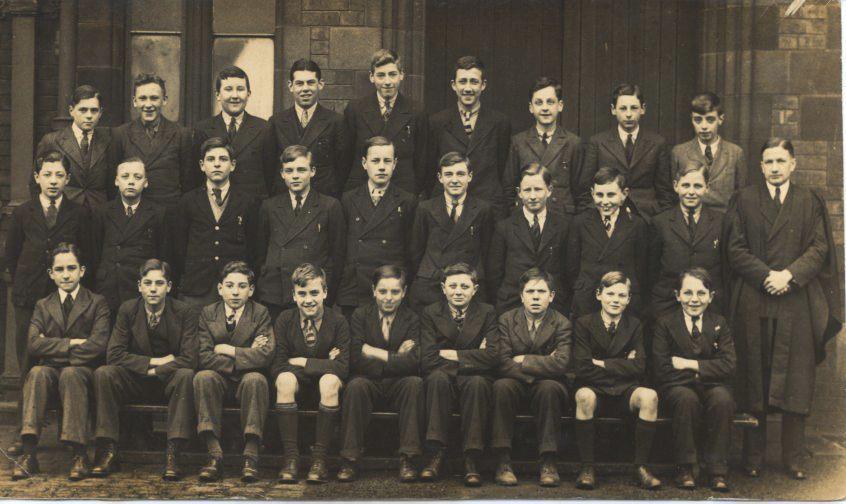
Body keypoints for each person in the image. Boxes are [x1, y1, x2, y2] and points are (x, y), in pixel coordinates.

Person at [726, 138, 842, 480]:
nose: (774, 168)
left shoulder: (810, 201)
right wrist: (766, 275)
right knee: (754, 373)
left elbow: (820, 248)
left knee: (797, 374)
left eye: (780, 161)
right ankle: (754, 455)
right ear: (760, 166)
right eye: (768, 162)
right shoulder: (744, 199)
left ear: (793, 164)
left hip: (796, 296)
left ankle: (794, 457)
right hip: (755, 294)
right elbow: (735, 248)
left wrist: (789, 275)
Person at [4, 150, 89, 455]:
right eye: (47, 175)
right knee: (29, 363)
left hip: (64, 299)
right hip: (29, 296)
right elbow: (12, 256)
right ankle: (24, 434)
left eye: (59, 175)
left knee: (67, 362)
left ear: (68, 179)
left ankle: (69, 432)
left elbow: (86, 252)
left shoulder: (78, 213)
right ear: (37, 178)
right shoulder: (23, 213)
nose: (53, 181)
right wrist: (25, 283)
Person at [12, 243, 110, 481]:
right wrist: (73, 343)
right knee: (36, 372)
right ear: (51, 274)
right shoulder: (43, 305)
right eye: (60, 269)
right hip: (49, 370)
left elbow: (98, 344)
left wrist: (53, 347)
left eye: (71, 268)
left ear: (82, 271)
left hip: (82, 371)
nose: (66, 274)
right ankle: (29, 453)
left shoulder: (97, 302)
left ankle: (79, 454)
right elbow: (34, 345)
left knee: (71, 374)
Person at [93, 259, 198, 480]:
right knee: (105, 373)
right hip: (136, 381)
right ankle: (108, 450)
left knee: (186, 375)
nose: (153, 289)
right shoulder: (128, 309)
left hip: (170, 383)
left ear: (169, 286)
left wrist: (157, 372)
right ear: (139, 285)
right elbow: (114, 354)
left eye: (159, 283)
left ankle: (173, 453)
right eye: (147, 283)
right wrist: (155, 363)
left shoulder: (184, 312)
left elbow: (189, 358)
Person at [572, 271, 661, 490]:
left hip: (625, 391)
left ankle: (641, 467)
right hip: (594, 389)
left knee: (649, 396)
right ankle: (587, 467)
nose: (615, 300)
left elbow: (639, 366)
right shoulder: (584, 324)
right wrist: (622, 362)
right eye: (610, 294)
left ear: (629, 299)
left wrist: (602, 363)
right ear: (598, 295)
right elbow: (582, 367)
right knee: (583, 396)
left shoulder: (635, 325)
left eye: (622, 295)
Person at [652, 268, 736, 491]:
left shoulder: (720, 323)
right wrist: (706, 371)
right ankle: (685, 467)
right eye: (687, 293)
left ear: (711, 296)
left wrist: (690, 364)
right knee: (686, 399)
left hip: (711, 386)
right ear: (677, 295)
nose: (694, 299)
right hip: (676, 387)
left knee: (722, 399)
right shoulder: (665, 323)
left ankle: (717, 470)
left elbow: (729, 365)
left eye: (701, 293)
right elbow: (662, 367)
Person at [337, 265, 423, 482]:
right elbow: (355, 358)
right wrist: (396, 357)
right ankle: (350, 459)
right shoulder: (360, 315)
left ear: (404, 293)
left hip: (399, 383)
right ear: (373, 290)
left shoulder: (412, 318)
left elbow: (413, 362)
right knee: (355, 386)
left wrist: (374, 352)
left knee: (414, 383)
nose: (388, 298)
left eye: (395, 292)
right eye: (383, 291)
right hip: (368, 380)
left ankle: (408, 458)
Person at [193, 261, 275, 483]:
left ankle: (251, 455)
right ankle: (214, 454)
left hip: (247, 379)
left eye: (242, 286)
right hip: (219, 377)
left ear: (251, 290)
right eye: (229, 285)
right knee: (203, 377)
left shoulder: (260, 313)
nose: (235, 292)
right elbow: (203, 355)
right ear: (220, 289)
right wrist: (246, 353)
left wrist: (228, 349)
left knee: (257, 379)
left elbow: (266, 355)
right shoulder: (208, 313)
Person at [419, 263, 498, 487]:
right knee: (436, 379)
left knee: (477, 383)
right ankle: (436, 453)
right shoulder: (431, 312)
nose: (458, 291)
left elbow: (493, 356)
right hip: (443, 375)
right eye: (452, 286)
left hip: (473, 377)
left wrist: (452, 354)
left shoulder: (487, 312)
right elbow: (427, 359)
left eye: (465, 286)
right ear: (443, 288)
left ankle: (471, 457)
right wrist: (473, 356)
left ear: (475, 289)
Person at [491, 268, 572, 487]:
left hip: (548, 383)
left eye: (542, 291)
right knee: (501, 386)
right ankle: (503, 461)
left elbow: (561, 363)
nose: (536, 297)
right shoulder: (507, 320)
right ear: (521, 295)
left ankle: (548, 461)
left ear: (552, 296)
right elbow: (503, 361)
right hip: (516, 381)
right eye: (530, 291)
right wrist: (541, 364)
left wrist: (524, 359)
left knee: (550, 389)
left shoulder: (562, 323)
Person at [270, 263, 349, 484]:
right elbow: (278, 365)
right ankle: (291, 459)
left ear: (325, 292)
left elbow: (342, 367)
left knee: (330, 380)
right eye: (302, 294)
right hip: (297, 387)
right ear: (294, 295)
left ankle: (319, 460)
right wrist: (324, 362)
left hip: (326, 391)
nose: (309, 300)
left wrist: (303, 361)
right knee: (284, 379)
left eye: (314, 292)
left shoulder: (338, 321)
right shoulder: (285, 320)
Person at [255, 145, 346, 319]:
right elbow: (260, 253)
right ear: (282, 174)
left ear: (312, 171)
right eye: (289, 171)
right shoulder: (269, 206)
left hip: (311, 295)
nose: (295, 176)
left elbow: (337, 256)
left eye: (301, 170)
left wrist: (326, 294)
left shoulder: (329, 206)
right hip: (276, 294)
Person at [173, 137, 258, 307]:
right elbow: (179, 248)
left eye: (223, 159)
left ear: (232, 165)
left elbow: (255, 249)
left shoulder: (248, 202)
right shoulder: (188, 201)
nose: (217, 164)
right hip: (196, 289)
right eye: (211, 159)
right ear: (202, 165)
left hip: (234, 290)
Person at [338, 136, 417, 316]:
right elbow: (341, 248)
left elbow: (412, 250)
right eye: (375, 161)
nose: (381, 167)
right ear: (364, 163)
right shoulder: (349, 199)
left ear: (395, 164)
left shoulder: (407, 201)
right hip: (356, 289)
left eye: (387, 161)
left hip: (390, 288)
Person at [409, 152, 493, 312]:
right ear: (440, 177)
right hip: (430, 285)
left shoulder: (483, 209)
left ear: (470, 176)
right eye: (448, 174)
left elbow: (487, 250)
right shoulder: (425, 208)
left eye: (460, 174)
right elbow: (416, 251)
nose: (454, 180)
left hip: (467, 286)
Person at [427, 55, 511, 216]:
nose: (468, 88)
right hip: (449, 206)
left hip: (488, 206)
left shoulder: (499, 122)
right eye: (462, 81)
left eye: (474, 82)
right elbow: (430, 168)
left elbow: (502, 167)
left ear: (483, 85)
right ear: (453, 85)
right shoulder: (437, 122)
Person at [578, 83, 673, 216]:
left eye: (634, 108)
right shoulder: (598, 142)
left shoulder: (657, 143)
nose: (628, 114)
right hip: (606, 214)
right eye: (623, 108)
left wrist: (661, 222)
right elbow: (585, 189)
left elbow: (665, 193)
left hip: (647, 217)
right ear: (613, 109)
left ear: (643, 109)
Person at [488, 163, 571, 314]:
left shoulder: (563, 226)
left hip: (553, 306)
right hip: (512, 304)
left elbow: (569, 270)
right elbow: (495, 274)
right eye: (527, 190)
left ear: (549, 190)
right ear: (519, 193)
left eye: (538, 189)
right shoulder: (504, 228)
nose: (532, 196)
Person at [648, 161, 726, 319]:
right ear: (676, 186)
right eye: (685, 185)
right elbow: (650, 268)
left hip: (709, 304)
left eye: (697, 186)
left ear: (707, 187)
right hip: (668, 302)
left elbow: (725, 267)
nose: (691, 192)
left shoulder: (721, 221)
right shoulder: (660, 222)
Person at [566, 166, 647, 319]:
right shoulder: (580, 223)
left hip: (622, 299)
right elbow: (572, 267)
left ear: (624, 195)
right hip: (588, 297)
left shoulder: (637, 224)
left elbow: (642, 267)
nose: (605, 201)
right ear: (592, 194)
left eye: (611, 195)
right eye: (599, 195)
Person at [91, 158, 168, 316]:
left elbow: (163, 255)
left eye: (137, 177)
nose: (131, 182)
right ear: (116, 181)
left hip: (140, 287)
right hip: (109, 287)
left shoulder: (158, 214)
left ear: (145, 183)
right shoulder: (103, 212)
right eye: (125, 177)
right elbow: (95, 253)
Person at [343, 49, 427, 195]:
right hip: (363, 191)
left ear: (401, 75)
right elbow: (346, 156)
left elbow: (422, 159)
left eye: (392, 74)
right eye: (381, 75)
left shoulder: (416, 111)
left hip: (402, 191)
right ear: (371, 77)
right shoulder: (356, 109)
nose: (387, 82)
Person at [502, 77, 582, 215]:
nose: (545, 108)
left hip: (562, 219)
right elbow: (508, 188)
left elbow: (581, 192)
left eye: (550, 102)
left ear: (560, 105)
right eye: (539, 103)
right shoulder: (518, 142)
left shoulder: (573, 142)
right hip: (526, 217)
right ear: (531, 107)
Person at [270, 59, 350, 197]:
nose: (305, 89)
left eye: (311, 83)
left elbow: (342, 168)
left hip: (323, 200)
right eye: (299, 83)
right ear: (290, 86)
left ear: (320, 84)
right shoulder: (276, 122)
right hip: (285, 201)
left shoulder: (336, 122)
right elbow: (270, 168)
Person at [111, 73, 193, 208]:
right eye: (142, 98)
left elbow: (188, 183)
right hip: (134, 211)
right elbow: (112, 182)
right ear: (134, 101)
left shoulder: (181, 134)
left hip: (168, 211)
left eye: (154, 98)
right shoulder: (120, 134)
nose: (148, 105)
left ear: (164, 100)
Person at [193, 66, 276, 198]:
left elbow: (271, 175)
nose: (235, 96)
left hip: (253, 207)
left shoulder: (264, 128)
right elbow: (196, 177)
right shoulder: (202, 129)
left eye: (240, 89)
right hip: (215, 205)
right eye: (228, 89)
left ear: (249, 93)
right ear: (218, 95)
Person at [35, 84, 113, 210]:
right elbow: (36, 183)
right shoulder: (52, 140)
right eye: (83, 110)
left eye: (94, 110)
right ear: (71, 110)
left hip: (99, 211)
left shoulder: (109, 139)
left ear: (100, 113)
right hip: (64, 211)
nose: (89, 115)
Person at [671, 92, 747, 213]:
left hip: (724, 222)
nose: (704, 126)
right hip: (691, 220)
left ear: (721, 119)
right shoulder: (679, 152)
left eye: (710, 120)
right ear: (691, 119)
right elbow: (672, 196)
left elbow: (740, 196)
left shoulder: (735, 153)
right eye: (698, 120)